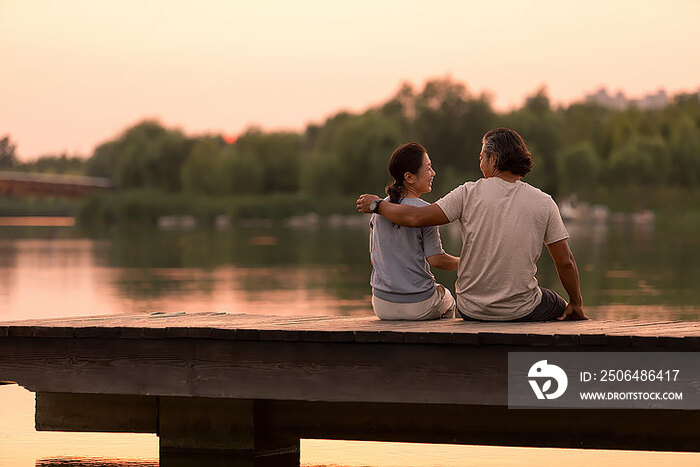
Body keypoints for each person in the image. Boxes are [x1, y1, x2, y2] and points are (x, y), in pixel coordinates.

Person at [357, 128, 587, 322]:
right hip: (521, 309)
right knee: (558, 304)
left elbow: (416, 217)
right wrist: (576, 302)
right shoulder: (544, 202)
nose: (479, 163)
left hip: (471, 309)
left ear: (493, 159)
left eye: (481, 157)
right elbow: (565, 261)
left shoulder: (468, 192)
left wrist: (378, 205)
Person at [367, 142, 459, 320]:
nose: (433, 173)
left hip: (381, 304)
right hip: (419, 304)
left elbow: (374, 258)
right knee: (448, 299)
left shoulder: (379, 210)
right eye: (428, 168)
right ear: (409, 177)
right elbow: (437, 260)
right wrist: (467, 262)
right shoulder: (426, 213)